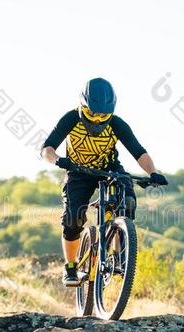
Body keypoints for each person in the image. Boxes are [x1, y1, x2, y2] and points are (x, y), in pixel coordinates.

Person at [41, 77, 168, 286]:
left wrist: (153, 172)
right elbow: (47, 149)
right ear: (82, 106)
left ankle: (118, 255)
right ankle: (71, 267)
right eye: (92, 114)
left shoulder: (117, 124)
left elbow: (138, 151)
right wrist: (58, 160)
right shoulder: (71, 119)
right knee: (73, 219)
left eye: (103, 115)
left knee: (126, 202)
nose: (98, 120)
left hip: (109, 169)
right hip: (78, 171)